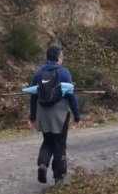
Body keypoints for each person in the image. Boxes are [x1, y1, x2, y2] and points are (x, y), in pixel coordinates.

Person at [27, 43, 81, 184]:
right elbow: (71, 95)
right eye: (61, 56)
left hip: (43, 114)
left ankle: (43, 164)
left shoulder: (38, 73)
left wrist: (32, 116)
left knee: (47, 141)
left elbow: (33, 95)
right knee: (59, 144)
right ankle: (59, 177)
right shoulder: (64, 72)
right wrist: (77, 115)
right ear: (58, 57)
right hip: (60, 114)